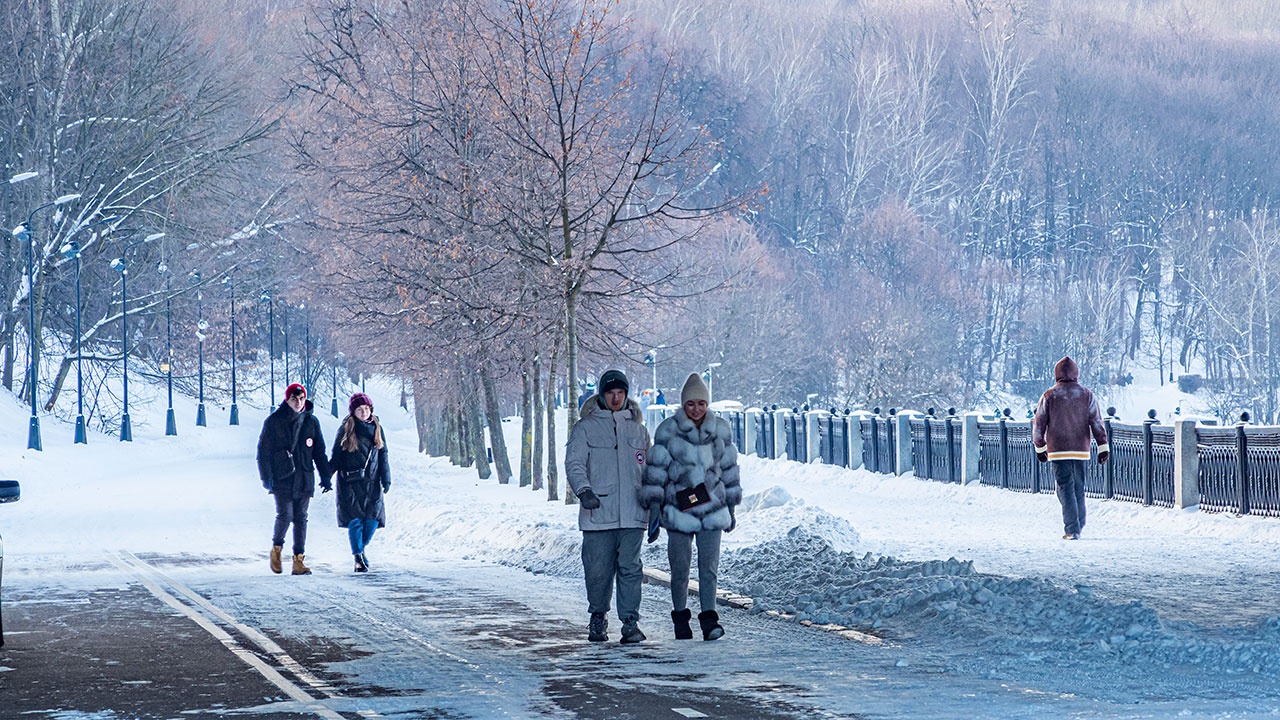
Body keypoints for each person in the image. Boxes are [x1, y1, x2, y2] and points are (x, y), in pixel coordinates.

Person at [641, 372, 742, 641]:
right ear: (683, 404)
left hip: (712, 511)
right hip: (679, 511)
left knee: (709, 569)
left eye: (701, 403)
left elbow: (730, 471)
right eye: (691, 404)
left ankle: (710, 620)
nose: (696, 409)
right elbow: (656, 473)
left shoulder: (720, 430)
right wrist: (654, 510)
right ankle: (680, 617)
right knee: (680, 569)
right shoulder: (668, 431)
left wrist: (731, 507)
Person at [565, 369, 651, 644]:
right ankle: (598, 617)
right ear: (602, 395)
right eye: (611, 393)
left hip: (633, 514)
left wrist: (653, 498)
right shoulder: (586, 428)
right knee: (598, 569)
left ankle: (630, 622)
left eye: (620, 393)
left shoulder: (638, 430)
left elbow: (650, 469)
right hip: (598, 512)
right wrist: (584, 490)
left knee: (630, 568)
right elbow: (574, 463)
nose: (616, 398)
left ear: (626, 395)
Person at [257, 383, 333, 574]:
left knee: (301, 518)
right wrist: (266, 477)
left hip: (305, 477)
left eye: (301, 399)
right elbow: (263, 452)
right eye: (294, 399)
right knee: (285, 514)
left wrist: (325, 476)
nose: (298, 403)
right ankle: (277, 549)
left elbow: (319, 452)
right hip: (282, 477)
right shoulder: (274, 421)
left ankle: (298, 561)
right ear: (287, 399)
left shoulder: (312, 422)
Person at [1033, 357, 1109, 540]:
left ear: (1057, 373)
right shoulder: (1086, 394)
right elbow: (1096, 421)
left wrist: (1040, 447)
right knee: (1078, 486)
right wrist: (1102, 446)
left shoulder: (1049, 395)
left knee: (1064, 486)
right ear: (1076, 373)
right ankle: (1079, 523)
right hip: (1080, 448)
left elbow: (1039, 424)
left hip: (1058, 449)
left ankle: (1071, 528)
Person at [330, 393, 391, 573]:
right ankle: (357, 556)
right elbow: (336, 456)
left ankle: (361, 548)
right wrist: (326, 476)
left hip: (372, 482)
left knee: (372, 520)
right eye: (359, 409)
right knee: (355, 521)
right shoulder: (346, 429)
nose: (363, 413)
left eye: (366, 409)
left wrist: (386, 478)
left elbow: (383, 455)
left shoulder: (377, 428)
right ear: (353, 412)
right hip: (350, 482)